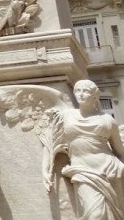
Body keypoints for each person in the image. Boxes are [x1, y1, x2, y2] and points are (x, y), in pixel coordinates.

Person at [44, 79, 124, 219]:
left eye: (86, 91)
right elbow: (50, 142)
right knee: (95, 214)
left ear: (94, 96)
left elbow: (119, 150)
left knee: (113, 214)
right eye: (78, 91)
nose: (81, 94)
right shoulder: (66, 116)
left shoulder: (107, 120)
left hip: (108, 169)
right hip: (82, 169)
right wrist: (45, 169)